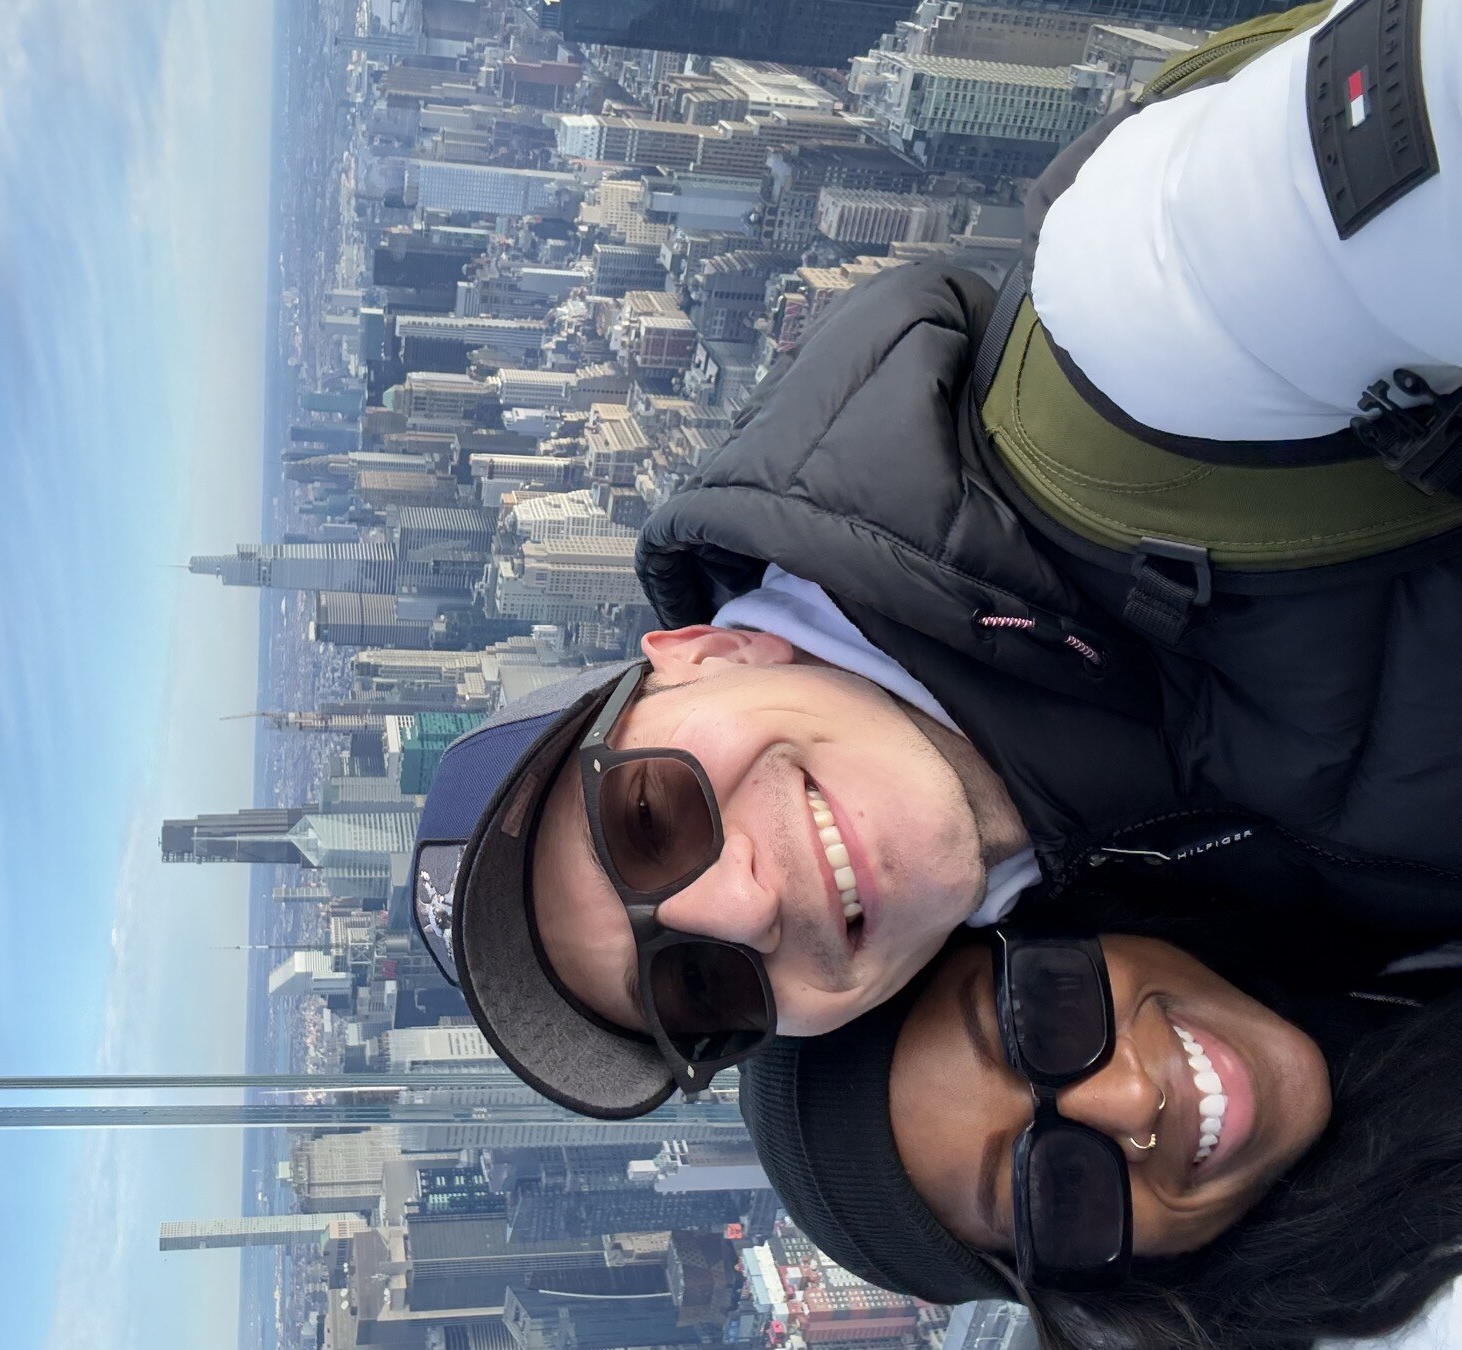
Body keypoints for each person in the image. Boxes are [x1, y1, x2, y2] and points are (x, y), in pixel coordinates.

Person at [410, 0, 1462, 1119]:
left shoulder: (1141, 337)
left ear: (704, 653)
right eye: (698, 986)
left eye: (649, 820)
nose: (743, 910)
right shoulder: (1173, 994)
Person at [737, 925, 1462, 1349]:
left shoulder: (1360, 935)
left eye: (1043, 1016)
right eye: (1060, 1191)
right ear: (1115, 1278)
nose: (1134, 1098)